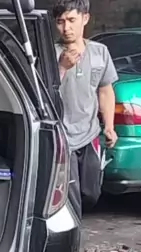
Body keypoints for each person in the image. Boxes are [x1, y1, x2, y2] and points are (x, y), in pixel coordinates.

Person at [52, 0, 118, 216]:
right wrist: (61, 67)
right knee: (68, 196)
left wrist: (109, 126)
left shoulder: (100, 52)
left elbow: (105, 90)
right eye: (60, 22)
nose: (66, 28)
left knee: (91, 193)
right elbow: (42, 92)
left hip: (89, 134)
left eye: (72, 20)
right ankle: (73, 232)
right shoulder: (49, 54)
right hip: (62, 137)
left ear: (85, 18)